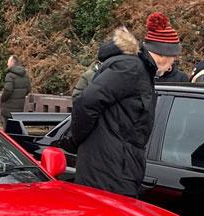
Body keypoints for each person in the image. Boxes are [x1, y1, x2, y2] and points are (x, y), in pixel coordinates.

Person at [71, 26, 157, 198]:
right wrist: (78, 138)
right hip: (110, 170)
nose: (173, 63)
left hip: (112, 165)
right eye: (173, 57)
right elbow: (86, 103)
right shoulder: (130, 68)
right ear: (162, 53)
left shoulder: (131, 67)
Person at [142, 12, 188, 83]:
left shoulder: (134, 70)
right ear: (163, 55)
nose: (169, 68)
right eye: (173, 57)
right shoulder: (138, 74)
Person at [0, 55, 31, 128]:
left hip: (7, 109)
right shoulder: (25, 76)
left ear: (11, 62)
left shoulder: (10, 75)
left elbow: (8, 90)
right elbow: (29, 89)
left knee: (6, 130)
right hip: (19, 109)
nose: (7, 64)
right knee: (15, 129)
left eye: (8, 62)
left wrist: (2, 99)